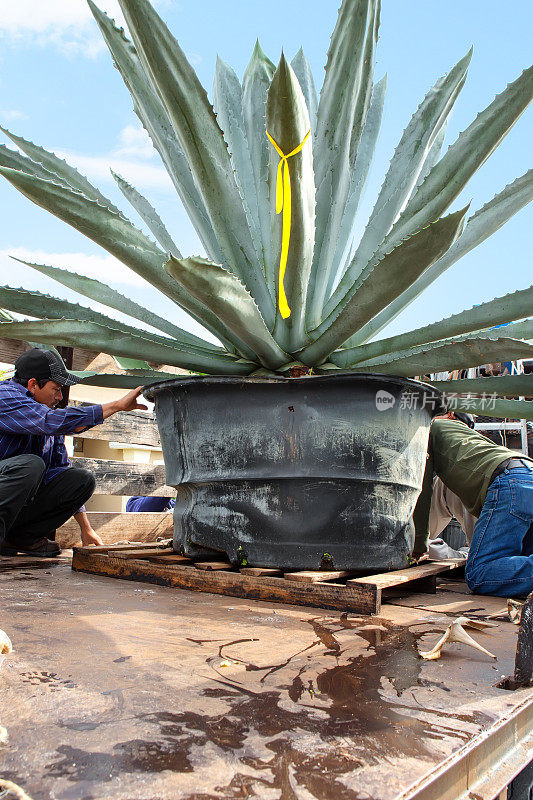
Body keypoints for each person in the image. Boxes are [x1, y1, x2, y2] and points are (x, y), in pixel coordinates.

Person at [0, 348, 147, 558]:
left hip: (15, 510)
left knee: (81, 480)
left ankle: (18, 539)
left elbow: (61, 468)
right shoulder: (5, 396)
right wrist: (116, 405)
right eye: (56, 389)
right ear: (33, 384)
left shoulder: (49, 420)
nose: (60, 397)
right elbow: (49, 421)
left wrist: (86, 529)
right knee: (30, 465)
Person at [413, 410, 533, 597]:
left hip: (509, 481)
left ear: (449, 414)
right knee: (520, 564)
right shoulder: (473, 439)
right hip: (526, 473)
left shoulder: (428, 428)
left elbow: (422, 489)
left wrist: (417, 546)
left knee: (479, 573)